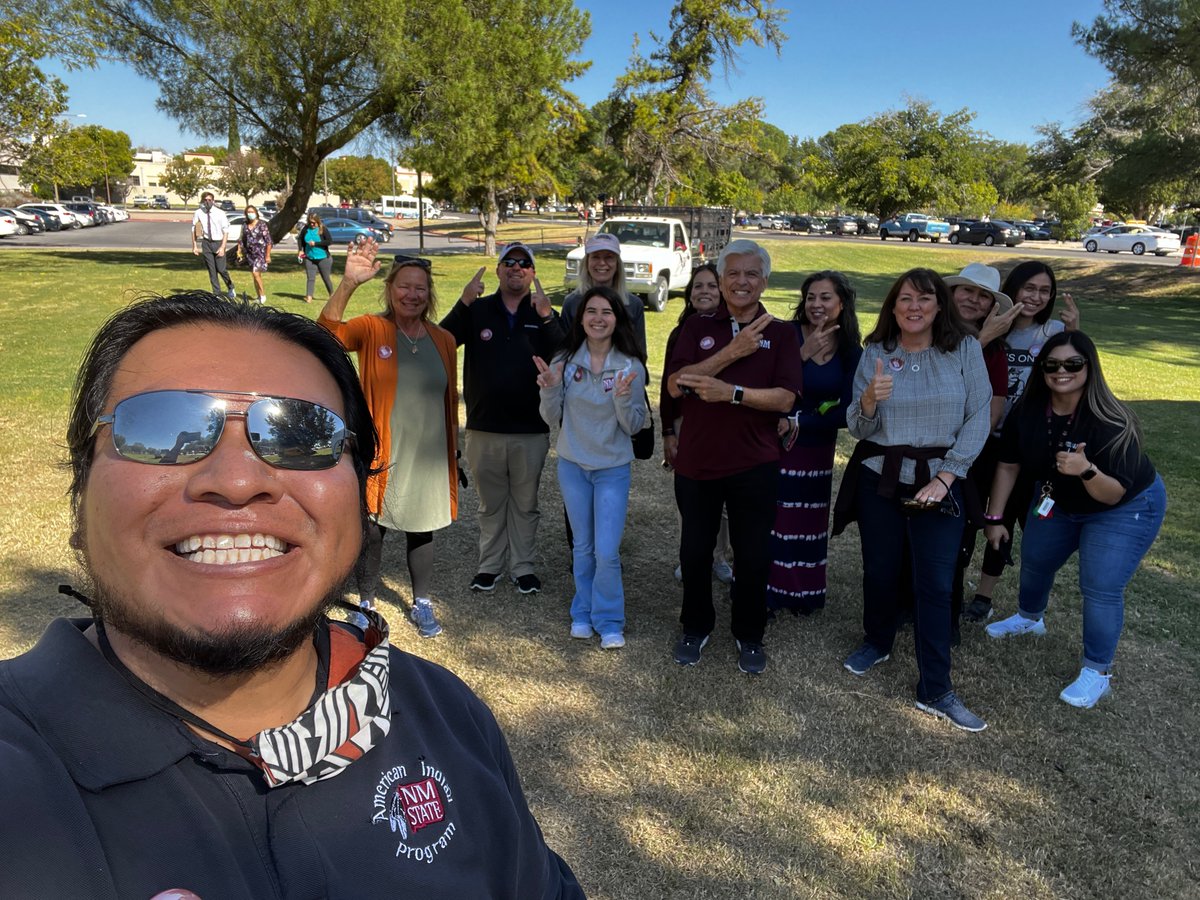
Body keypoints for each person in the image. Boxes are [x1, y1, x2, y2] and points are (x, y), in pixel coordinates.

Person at [0, 292, 584, 898]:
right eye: (161, 430)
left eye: (300, 435)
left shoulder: (440, 710)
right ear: (80, 493)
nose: (236, 480)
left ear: (359, 497)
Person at [833, 268, 991, 732]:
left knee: (935, 584)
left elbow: (979, 415)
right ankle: (877, 639)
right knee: (880, 568)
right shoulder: (876, 352)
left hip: (939, 480)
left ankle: (936, 688)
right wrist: (866, 402)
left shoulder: (962, 350)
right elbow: (859, 429)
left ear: (939, 305)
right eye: (905, 299)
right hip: (880, 477)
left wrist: (947, 476)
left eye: (924, 299)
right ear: (893, 306)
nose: (914, 307)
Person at [983, 332, 1166, 708]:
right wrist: (995, 515)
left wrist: (1085, 471)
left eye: (1072, 364)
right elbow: (1008, 464)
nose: (1060, 371)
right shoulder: (1029, 410)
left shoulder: (1112, 420)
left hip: (1121, 506)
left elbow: (1113, 493)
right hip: (1057, 500)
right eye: (1051, 364)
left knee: (1099, 584)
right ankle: (1030, 619)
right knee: (1035, 559)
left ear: (1089, 367)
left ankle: (1096, 673)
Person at [664, 239, 802, 675]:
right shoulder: (695, 327)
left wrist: (733, 394)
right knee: (695, 551)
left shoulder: (781, 334)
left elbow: (785, 398)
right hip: (698, 463)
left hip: (755, 464)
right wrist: (732, 352)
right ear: (721, 282)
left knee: (753, 554)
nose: (742, 282)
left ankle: (749, 633)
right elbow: (675, 385)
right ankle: (696, 625)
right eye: (733, 274)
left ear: (764, 281)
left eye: (751, 274)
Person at [318, 240, 459, 640]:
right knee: (374, 527)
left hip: (428, 454)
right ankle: (366, 603)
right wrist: (347, 283)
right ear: (390, 289)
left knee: (423, 526)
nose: (411, 295)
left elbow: (448, 398)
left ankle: (422, 602)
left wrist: (452, 450)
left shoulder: (443, 339)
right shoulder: (372, 328)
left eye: (420, 288)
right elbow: (326, 335)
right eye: (404, 287)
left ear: (428, 295)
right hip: (384, 449)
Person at [439, 243, 567, 594]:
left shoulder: (543, 312)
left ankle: (523, 567)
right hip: (484, 428)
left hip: (531, 428)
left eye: (524, 263)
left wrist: (546, 316)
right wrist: (463, 302)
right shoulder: (478, 310)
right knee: (490, 504)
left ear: (533, 273)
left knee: (526, 505)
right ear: (498, 270)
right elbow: (442, 341)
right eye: (509, 262)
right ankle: (490, 566)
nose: (516, 268)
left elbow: (565, 353)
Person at [969, 261, 1082, 624]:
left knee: (1005, 517)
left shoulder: (1053, 332)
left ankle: (984, 595)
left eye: (1044, 291)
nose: (1035, 297)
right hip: (983, 438)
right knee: (973, 515)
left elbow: (1076, 370)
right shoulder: (990, 327)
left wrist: (1074, 332)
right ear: (1012, 289)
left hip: (1025, 446)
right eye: (1028, 288)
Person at [536, 286, 647, 649]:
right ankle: (582, 613)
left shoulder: (630, 367)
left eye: (607, 313)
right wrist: (550, 390)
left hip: (612, 468)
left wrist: (621, 399)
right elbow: (551, 418)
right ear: (581, 318)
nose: (598, 319)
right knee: (582, 547)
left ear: (618, 320)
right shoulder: (565, 363)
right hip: (573, 465)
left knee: (607, 551)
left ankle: (610, 620)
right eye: (591, 312)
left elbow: (633, 426)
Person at [766, 271, 862, 615]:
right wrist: (802, 354)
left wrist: (799, 420)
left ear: (841, 304)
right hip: (775, 442)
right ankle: (768, 591)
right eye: (810, 297)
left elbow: (850, 410)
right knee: (774, 517)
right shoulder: (786, 334)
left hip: (817, 446)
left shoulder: (851, 349)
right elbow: (768, 382)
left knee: (807, 519)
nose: (816, 304)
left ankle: (803, 593)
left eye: (825, 298)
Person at [940, 263, 1018, 639]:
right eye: (966, 291)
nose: (973, 299)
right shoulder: (927, 332)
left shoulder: (995, 352)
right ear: (951, 295)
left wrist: (960, 453)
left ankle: (947, 614)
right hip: (916, 449)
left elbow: (992, 411)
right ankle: (906, 603)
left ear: (991, 306)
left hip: (967, 457)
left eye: (983, 295)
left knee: (956, 535)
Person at [661, 264, 733, 584]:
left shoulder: (734, 330)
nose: (704, 291)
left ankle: (718, 556)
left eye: (711, 286)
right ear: (689, 293)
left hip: (724, 424)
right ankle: (690, 556)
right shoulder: (681, 333)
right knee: (690, 499)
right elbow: (668, 385)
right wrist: (667, 431)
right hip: (685, 423)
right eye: (698, 286)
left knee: (725, 498)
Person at [561, 232, 647, 354]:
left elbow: (640, 351)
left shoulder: (633, 304)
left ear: (617, 264)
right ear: (587, 262)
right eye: (595, 257)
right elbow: (564, 350)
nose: (602, 263)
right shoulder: (572, 303)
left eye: (609, 257)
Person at [190, 191, 236, 298]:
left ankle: (230, 287)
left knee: (221, 269)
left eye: (209, 200)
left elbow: (225, 231)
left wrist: (223, 247)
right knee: (212, 270)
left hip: (218, 242)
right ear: (202, 201)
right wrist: (195, 246)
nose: (207, 202)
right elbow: (193, 229)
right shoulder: (198, 213)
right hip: (206, 243)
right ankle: (217, 293)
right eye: (205, 200)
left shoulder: (220, 213)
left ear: (213, 201)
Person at [238, 204, 273, 304]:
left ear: (256, 213)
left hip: (260, 254)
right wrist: (239, 250)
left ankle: (263, 295)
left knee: (256, 273)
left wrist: (268, 255)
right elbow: (241, 239)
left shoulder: (262, 225)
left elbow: (268, 241)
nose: (250, 214)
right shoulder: (245, 225)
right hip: (250, 254)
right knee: (255, 276)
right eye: (248, 212)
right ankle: (258, 296)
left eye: (252, 212)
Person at [298, 212, 334, 304]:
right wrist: (300, 250)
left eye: (314, 223)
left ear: (318, 221)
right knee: (310, 278)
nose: (312, 224)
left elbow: (329, 241)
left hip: (323, 258)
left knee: (325, 277)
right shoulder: (306, 229)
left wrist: (316, 243)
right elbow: (300, 239)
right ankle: (309, 297)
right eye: (310, 222)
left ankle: (332, 295)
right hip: (309, 257)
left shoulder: (323, 229)